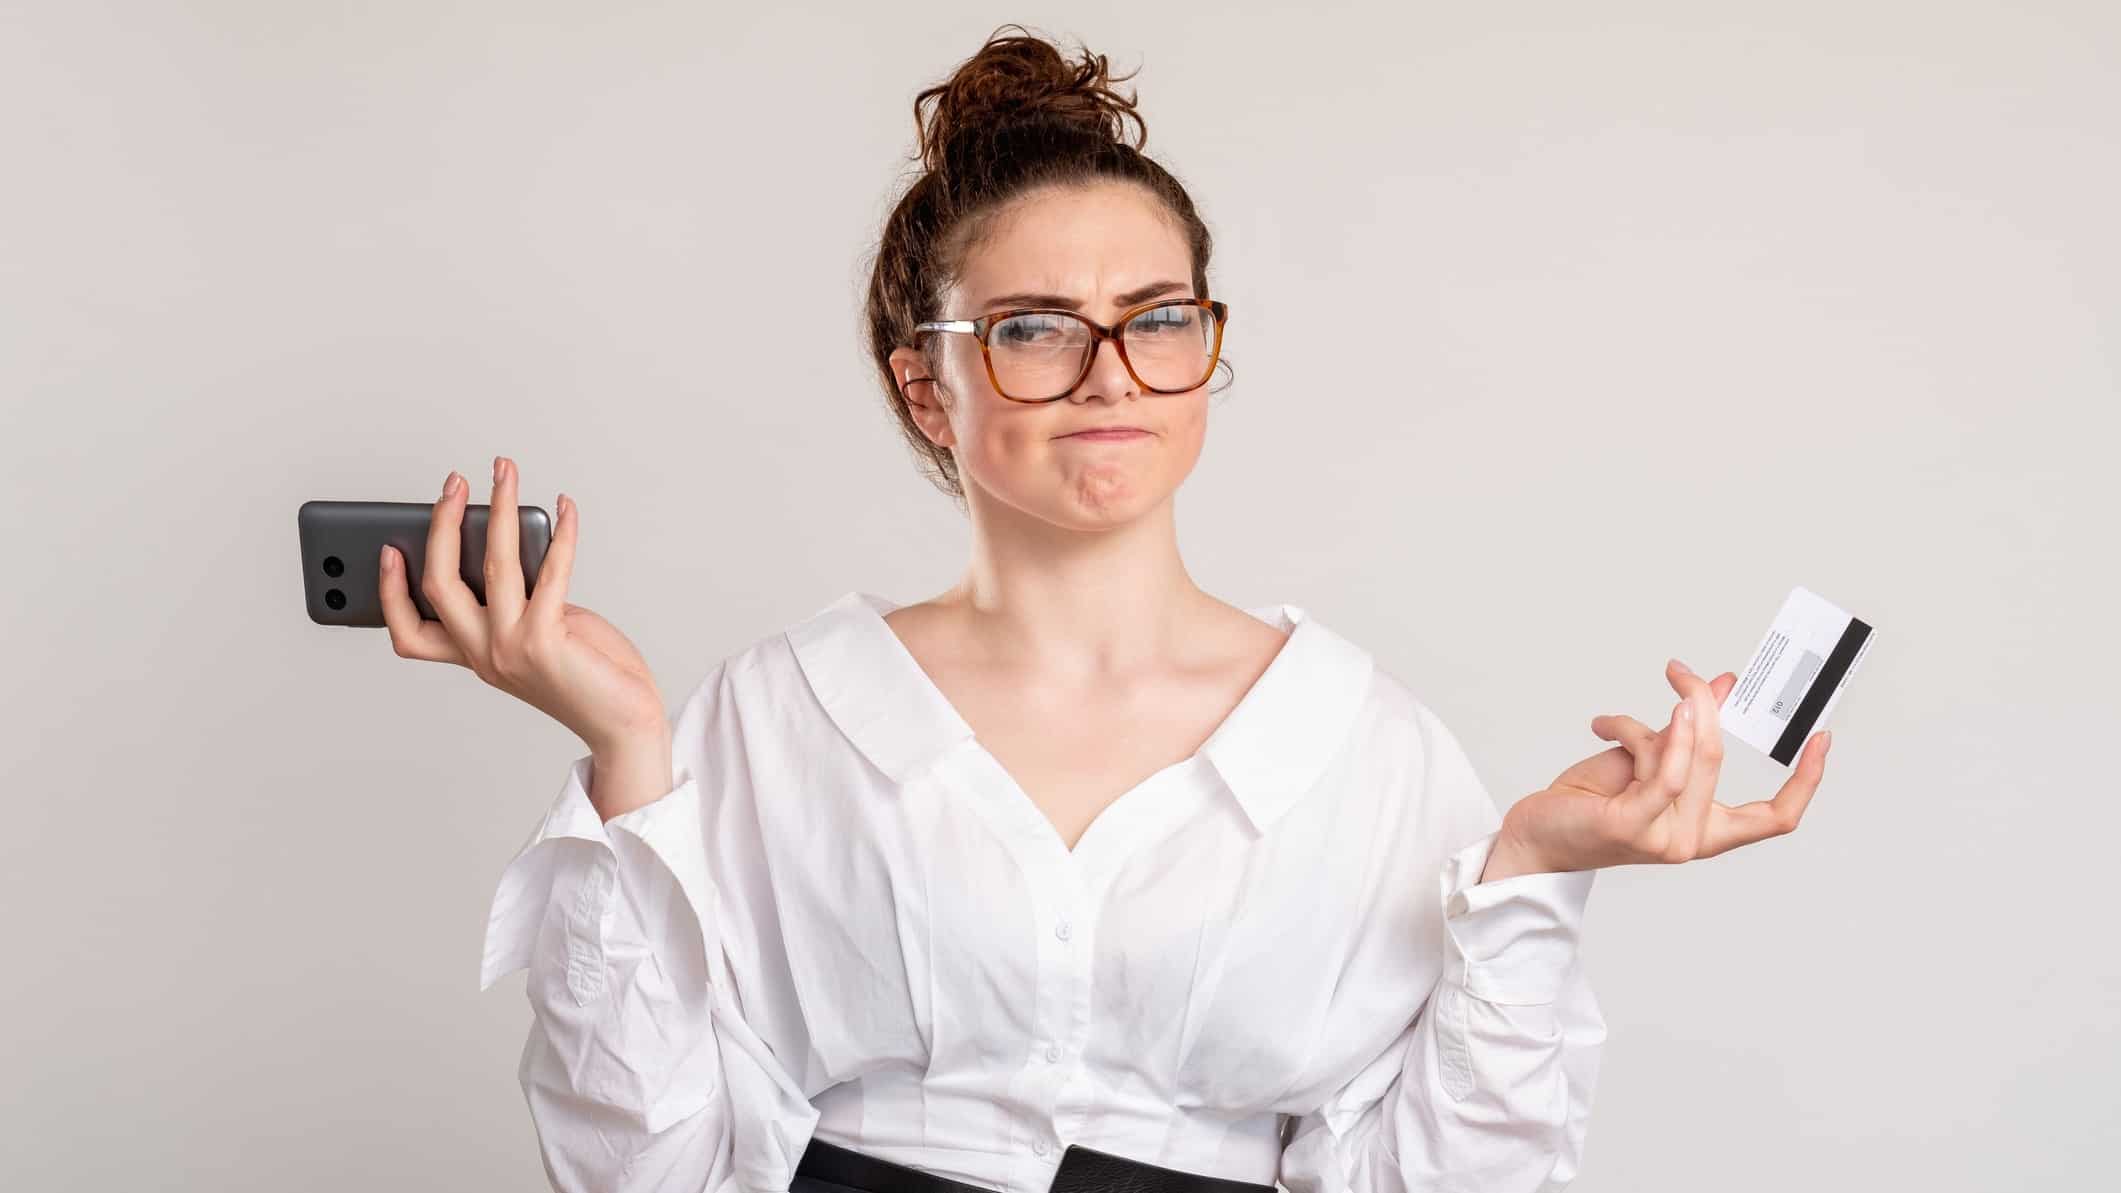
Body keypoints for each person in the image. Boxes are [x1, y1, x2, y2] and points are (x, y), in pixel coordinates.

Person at [381, 24, 1832, 1193]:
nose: (1110, 376)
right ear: (925, 389)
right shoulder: (776, 716)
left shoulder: (1366, 749)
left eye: (1157, 318)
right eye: (1031, 329)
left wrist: (1529, 876)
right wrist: (627, 754)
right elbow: (645, 1171)